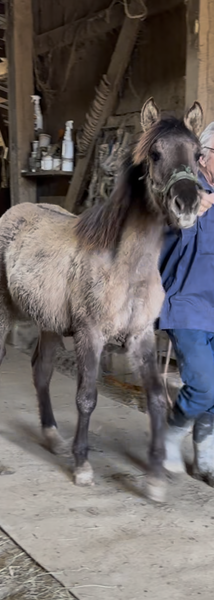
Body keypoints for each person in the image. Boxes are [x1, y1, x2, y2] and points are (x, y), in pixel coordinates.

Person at [159, 121, 214, 484]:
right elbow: (168, 219)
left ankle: (206, 454)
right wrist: (193, 207)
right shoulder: (187, 189)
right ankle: (170, 435)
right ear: (205, 156)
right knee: (205, 384)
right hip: (189, 303)